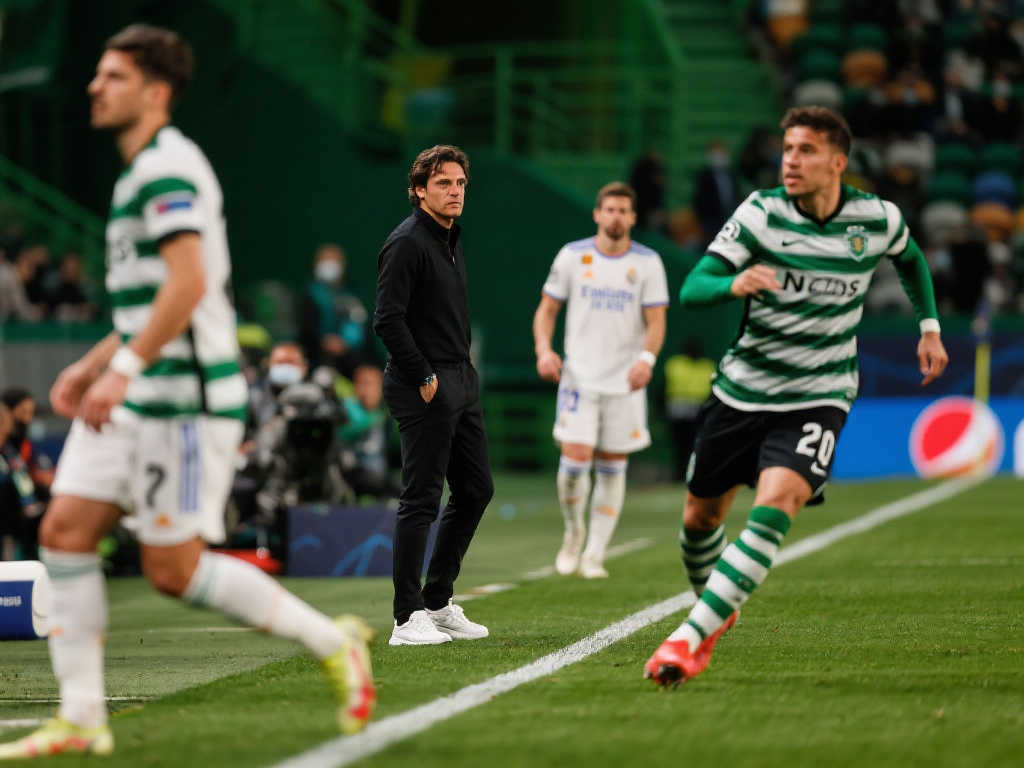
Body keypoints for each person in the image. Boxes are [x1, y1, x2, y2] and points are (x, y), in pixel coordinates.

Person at [0, 25, 374, 760]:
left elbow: (191, 282)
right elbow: (152, 303)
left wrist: (122, 368)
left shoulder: (168, 168)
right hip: (139, 393)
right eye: (97, 73)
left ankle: (334, 641)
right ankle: (83, 717)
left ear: (156, 92)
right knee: (65, 533)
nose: (94, 86)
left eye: (113, 76)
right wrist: (96, 364)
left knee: (173, 571)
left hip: (185, 404)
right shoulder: (138, 173)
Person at [643, 106, 948, 688]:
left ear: (838, 162)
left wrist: (929, 327)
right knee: (699, 521)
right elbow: (695, 287)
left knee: (777, 503)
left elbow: (910, 259)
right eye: (787, 149)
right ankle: (716, 606)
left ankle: (688, 639)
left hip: (820, 392)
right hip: (744, 390)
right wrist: (734, 281)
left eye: (805, 150)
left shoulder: (876, 218)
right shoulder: (761, 213)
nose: (790, 160)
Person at [373, 144, 493, 646]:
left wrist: (460, 376)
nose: (455, 191)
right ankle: (406, 617)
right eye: (443, 183)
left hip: (459, 379)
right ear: (419, 190)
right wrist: (424, 375)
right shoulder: (406, 242)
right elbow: (387, 319)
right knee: (421, 498)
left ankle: (438, 601)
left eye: (460, 183)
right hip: (422, 383)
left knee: (476, 489)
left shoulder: (451, 238)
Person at [532, 181, 668, 579]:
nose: (616, 217)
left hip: (625, 381)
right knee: (574, 460)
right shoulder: (573, 256)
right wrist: (544, 350)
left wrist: (647, 359)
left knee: (612, 464)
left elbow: (656, 321)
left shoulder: (648, 263)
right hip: (579, 377)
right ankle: (573, 532)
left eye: (623, 211)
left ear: (633, 217)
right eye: (609, 209)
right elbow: (546, 310)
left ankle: (595, 554)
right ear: (597, 214)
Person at [298, 243, 370, 378]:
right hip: (315, 359)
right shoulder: (308, 295)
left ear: (342, 265)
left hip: (349, 363)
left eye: (333, 261)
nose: (329, 265)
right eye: (324, 260)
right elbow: (304, 330)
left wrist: (345, 343)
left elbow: (358, 326)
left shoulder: (351, 296)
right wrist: (323, 341)